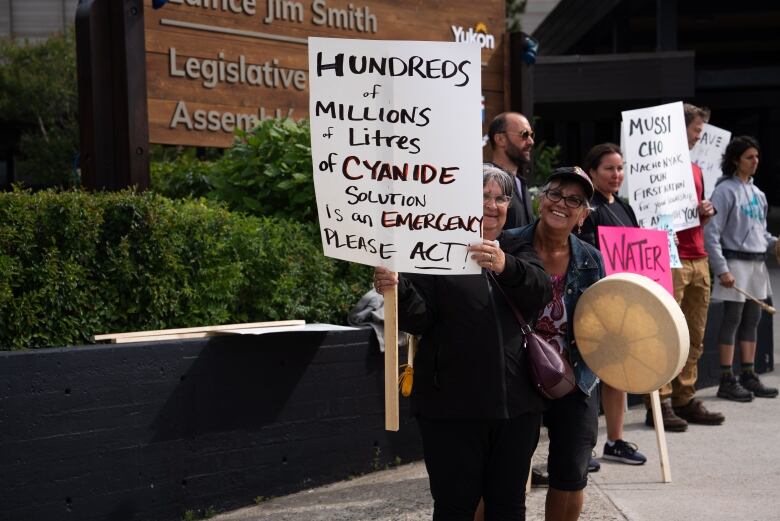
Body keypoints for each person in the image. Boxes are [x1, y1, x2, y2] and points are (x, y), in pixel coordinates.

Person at [373, 165, 552, 520]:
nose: (494, 205)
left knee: (509, 505)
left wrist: (506, 265)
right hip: (452, 410)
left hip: (516, 409)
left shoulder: (518, 247)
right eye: (483, 196)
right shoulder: (430, 251)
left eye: (501, 197)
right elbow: (420, 318)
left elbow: (541, 291)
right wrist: (397, 289)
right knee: (455, 507)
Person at [506, 166, 605, 521]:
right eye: (555, 193)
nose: (561, 203)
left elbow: (604, 319)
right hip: (514, 374)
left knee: (571, 472)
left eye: (574, 200)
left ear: (582, 215)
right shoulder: (507, 243)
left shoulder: (592, 260)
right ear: (541, 199)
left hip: (574, 375)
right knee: (505, 471)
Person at [644, 103, 725, 431]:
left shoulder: (695, 169)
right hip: (670, 258)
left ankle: (684, 397)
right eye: (695, 130)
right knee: (667, 331)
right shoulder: (656, 167)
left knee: (694, 333)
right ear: (680, 129)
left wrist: (704, 212)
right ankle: (660, 401)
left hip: (698, 255)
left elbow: (694, 213)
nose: (698, 137)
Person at [577, 143, 647, 466]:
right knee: (589, 375)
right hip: (594, 304)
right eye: (609, 168)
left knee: (616, 373)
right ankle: (583, 444)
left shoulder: (624, 207)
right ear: (592, 172)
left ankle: (615, 440)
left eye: (620, 168)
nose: (616, 175)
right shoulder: (586, 209)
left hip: (623, 305)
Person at [704, 136, 779, 401]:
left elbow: (761, 233)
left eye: (757, 157)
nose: (755, 161)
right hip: (735, 262)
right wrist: (721, 268)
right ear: (736, 160)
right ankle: (727, 378)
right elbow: (711, 232)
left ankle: (748, 374)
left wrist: (776, 244)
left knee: (753, 321)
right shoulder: (724, 191)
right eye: (749, 157)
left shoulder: (759, 194)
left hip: (757, 264)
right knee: (732, 319)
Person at [486, 112, 535, 229]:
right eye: (524, 134)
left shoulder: (520, 182)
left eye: (531, 135)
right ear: (500, 139)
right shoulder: (485, 181)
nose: (530, 142)